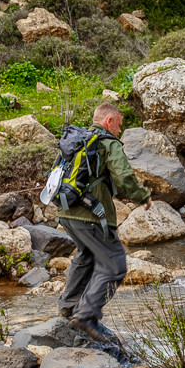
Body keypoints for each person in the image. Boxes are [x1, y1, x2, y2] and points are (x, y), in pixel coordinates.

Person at [56, 102, 151, 344]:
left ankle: (68, 306)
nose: (119, 130)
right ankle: (85, 315)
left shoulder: (77, 139)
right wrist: (142, 196)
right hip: (92, 215)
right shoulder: (107, 142)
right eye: (119, 125)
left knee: (86, 254)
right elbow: (124, 175)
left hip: (66, 211)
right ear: (109, 122)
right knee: (115, 263)